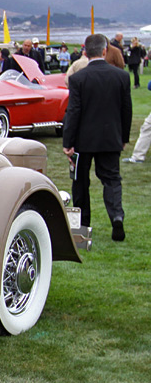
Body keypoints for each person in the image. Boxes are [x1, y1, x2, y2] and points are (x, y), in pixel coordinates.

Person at [62, 33, 131, 241]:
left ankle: (82, 228)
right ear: (104, 51)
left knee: (80, 183)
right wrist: (124, 137)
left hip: (83, 139)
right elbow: (126, 110)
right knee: (112, 179)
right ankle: (116, 216)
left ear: (85, 52)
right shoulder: (121, 76)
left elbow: (73, 112)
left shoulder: (78, 79)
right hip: (111, 137)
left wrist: (68, 142)